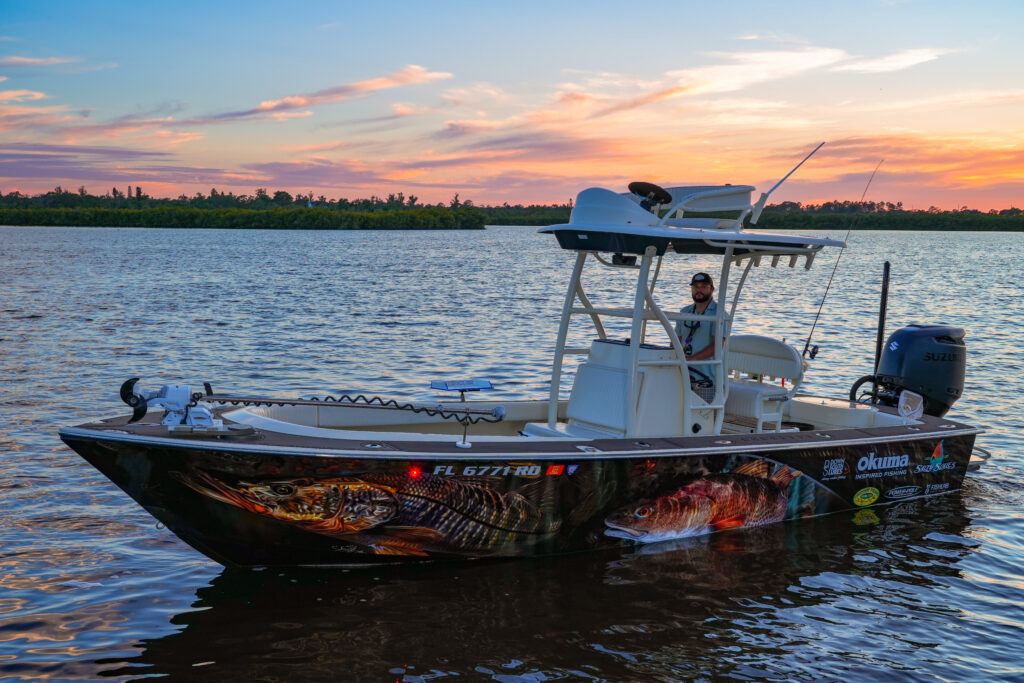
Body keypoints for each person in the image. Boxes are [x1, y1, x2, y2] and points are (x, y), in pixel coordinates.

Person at [676, 272, 719, 385]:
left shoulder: (719, 314)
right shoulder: (684, 312)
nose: (699, 290)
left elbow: (718, 345)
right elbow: (676, 341)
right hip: (684, 375)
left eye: (704, 287)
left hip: (708, 379)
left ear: (712, 289)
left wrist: (692, 360)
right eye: (695, 287)